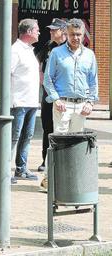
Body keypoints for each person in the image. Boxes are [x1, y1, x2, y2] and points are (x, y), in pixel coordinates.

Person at [44, 18, 98, 133]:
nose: (75, 38)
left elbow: (93, 81)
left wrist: (90, 102)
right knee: (60, 142)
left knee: (76, 144)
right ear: (66, 34)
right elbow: (47, 79)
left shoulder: (90, 55)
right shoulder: (56, 53)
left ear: (83, 35)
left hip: (81, 106)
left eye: (79, 34)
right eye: (72, 34)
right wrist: (56, 99)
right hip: (62, 105)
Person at [10, 19, 40, 183]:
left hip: (31, 102)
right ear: (28, 32)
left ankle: (21, 169)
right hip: (18, 102)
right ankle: (5, 171)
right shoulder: (15, 51)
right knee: (13, 138)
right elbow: (7, 74)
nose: (39, 32)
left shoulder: (28, 50)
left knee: (26, 137)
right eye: (36, 29)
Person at [36, 18, 67, 173]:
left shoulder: (69, 48)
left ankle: (62, 160)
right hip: (48, 95)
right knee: (47, 127)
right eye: (50, 29)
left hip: (63, 96)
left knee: (62, 128)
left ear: (63, 31)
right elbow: (38, 62)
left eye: (55, 29)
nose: (51, 32)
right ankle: (45, 160)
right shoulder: (49, 46)